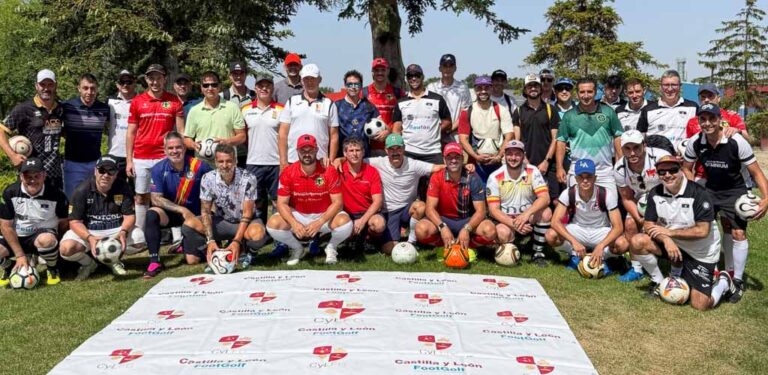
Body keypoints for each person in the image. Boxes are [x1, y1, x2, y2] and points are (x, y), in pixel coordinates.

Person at [682, 103, 768, 303]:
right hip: (709, 189)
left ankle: (736, 280)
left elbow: (756, 173)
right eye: (702, 119)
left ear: (720, 120)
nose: (707, 123)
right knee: (704, 229)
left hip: (734, 189)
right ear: (699, 121)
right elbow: (687, 167)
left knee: (737, 232)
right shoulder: (695, 141)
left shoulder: (736, 141)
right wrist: (695, 188)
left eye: (711, 118)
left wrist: (766, 200)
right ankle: (710, 271)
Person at [629, 155, 735, 311]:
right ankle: (660, 283)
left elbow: (702, 231)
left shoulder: (698, 193)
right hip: (674, 245)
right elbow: (649, 224)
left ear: (681, 170)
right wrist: (666, 239)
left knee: (700, 305)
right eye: (662, 172)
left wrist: (669, 233)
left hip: (701, 252)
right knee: (637, 241)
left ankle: (724, 282)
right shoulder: (655, 193)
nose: (667, 175)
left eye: (672, 170)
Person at [267, 134, 352, 265]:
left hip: (324, 215)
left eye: (310, 150)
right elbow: (281, 203)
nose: (307, 154)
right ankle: (297, 248)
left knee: (345, 223)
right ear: (297, 152)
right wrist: (294, 223)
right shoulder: (288, 172)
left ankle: (331, 247)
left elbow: (338, 203)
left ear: (317, 150)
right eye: (303, 150)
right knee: (273, 224)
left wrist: (320, 221)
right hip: (299, 215)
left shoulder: (328, 170)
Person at [59, 155, 146, 280]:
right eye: (102, 170)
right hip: (89, 230)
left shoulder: (123, 187)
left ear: (116, 174)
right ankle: (89, 264)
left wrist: (123, 231)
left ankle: (113, 260)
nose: (106, 175)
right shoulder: (81, 190)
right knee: (66, 249)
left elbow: (130, 216)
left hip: (116, 229)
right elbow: (74, 222)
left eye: (111, 171)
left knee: (139, 239)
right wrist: (89, 238)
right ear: (95, 171)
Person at [126, 64, 184, 234]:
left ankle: (176, 235)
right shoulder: (137, 101)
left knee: (168, 195)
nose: (155, 81)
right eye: (151, 78)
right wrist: (129, 160)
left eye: (159, 77)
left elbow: (181, 132)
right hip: (141, 156)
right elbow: (131, 133)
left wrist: (180, 156)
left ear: (165, 78)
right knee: (141, 196)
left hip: (165, 157)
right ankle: (141, 234)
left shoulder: (174, 101)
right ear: (146, 80)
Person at [144, 132, 212, 277]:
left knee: (192, 260)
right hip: (172, 213)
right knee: (151, 214)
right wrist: (181, 210)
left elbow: (216, 189)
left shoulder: (200, 166)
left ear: (185, 148)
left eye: (178, 147)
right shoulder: (158, 169)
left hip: (195, 216)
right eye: (171, 148)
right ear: (165, 150)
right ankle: (154, 261)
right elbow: (156, 199)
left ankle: (188, 244)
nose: (175, 151)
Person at [367, 133, 443, 254]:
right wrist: (341, 159)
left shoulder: (413, 164)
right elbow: (356, 161)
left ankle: (412, 242)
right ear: (386, 150)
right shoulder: (378, 162)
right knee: (390, 250)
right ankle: (373, 240)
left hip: (406, 211)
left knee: (421, 206)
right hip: (388, 212)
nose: (395, 152)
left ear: (403, 149)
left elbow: (438, 168)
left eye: (398, 148)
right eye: (391, 149)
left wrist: (465, 166)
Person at [613, 130, 671, 282]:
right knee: (630, 223)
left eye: (636, 147)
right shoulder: (619, 169)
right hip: (641, 201)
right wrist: (641, 220)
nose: (632, 153)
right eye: (627, 148)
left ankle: (677, 261)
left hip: (667, 198)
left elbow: (675, 182)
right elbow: (626, 197)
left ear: (644, 146)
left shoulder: (660, 157)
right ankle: (636, 268)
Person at [546, 159, 624, 273]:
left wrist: (601, 246)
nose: (585, 180)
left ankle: (604, 258)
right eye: (581, 177)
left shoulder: (606, 194)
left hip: (600, 230)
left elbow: (618, 227)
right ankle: (575, 255)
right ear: (576, 178)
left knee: (622, 244)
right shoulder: (568, 193)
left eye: (589, 176)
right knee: (550, 235)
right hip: (578, 229)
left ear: (595, 178)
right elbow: (555, 222)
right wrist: (574, 242)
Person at [415, 142, 496, 250]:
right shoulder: (437, 177)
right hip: (443, 219)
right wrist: (442, 227)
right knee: (420, 229)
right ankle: (446, 245)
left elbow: (481, 211)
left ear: (463, 159)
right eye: (449, 157)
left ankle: (466, 246)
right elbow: (430, 209)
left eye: (457, 157)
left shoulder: (472, 177)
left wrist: (467, 229)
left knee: (490, 231)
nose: (453, 160)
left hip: (466, 219)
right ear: (444, 160)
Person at [0, 158, 68, 287]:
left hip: (42, 236)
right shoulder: (10, 192)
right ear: (21, 176)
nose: (32, 180)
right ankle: (9, 268)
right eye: (27, 176)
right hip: (18, 237)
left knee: (47, 240)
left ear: (44, 175)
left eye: (37, 176)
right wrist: (19, 255)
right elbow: (5, 226)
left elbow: (64, 223)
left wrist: (57, 244)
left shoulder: (57, 194)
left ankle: (52, 268)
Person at [200, 144, 267, 270]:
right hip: (224, 221)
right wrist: (210, 240)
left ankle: (248, 252)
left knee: (258, 235)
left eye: (229, 161)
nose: (225, 165)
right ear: (215, 161)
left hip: (246, 222)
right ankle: (215, 250)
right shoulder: (207, 178)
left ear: (236, 161)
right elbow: (205, 211)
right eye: (221, 161)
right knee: (190, 225)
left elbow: (247, 214)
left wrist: (236, 241)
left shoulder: (249, 178)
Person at [486, 140, 552, 266]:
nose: (513, 158)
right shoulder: (495, 177)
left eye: (517, 154)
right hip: (507, 219)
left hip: (527, 216)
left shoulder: (532, 171)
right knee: (502, 233)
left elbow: (545, 198)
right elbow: (493, 210)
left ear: (523, 155)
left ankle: (537, 253)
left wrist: (526, 215)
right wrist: (514, 224)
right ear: (504, 156)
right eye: (510, 154)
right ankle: (511, 248)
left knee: (546, 213)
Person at [0, 69, 64, 190]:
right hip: (30, 174)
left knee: (55, 208)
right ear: (36, 86)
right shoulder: (24, 108)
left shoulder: (61, 109)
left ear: (55, 85)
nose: (46, 88)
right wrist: (13, 156)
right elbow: (1, 130)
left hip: (55, 174)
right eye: (42, 84)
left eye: (50, 84)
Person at [556, 78, 623, 188]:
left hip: (605, 173)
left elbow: (618, 137)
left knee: (609, 205)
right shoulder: (569, 116)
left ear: (595, 92)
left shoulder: (608, 111)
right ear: (577, 93)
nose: (586, 96)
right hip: (578, 172)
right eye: (582, 92)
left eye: (589, 92)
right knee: (577, 205)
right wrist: (559, 167)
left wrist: (620, 164)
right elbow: (561, 142)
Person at [278, 63, 339, 170]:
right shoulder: (292, 101)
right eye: (306, 79)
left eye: (313, 79)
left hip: (320, 161)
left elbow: (334, 136)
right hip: (293, 160)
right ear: (301, 81)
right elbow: (283, 133)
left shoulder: (329, 104)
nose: (310, 82)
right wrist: (283, 161)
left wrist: (331, 159)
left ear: (319, 80)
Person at [685, 84, 749, 184]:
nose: (706, 99)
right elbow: (689, 147)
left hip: (730, 175)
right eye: (703, 97)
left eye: (710, 96)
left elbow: (747, 138)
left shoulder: (731, 116)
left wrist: (737, 130)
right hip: (702, 176)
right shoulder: (692, 121)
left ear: (718, 98)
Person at [243, 74, 283, 227]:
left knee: (277, 201)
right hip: (253, 162)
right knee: (257, 201)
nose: (264, 88)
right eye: (261, 86)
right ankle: (260, 235)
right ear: (255, 88)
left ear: (272, 88)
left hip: (276, 162)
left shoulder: (281, 109)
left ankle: (278, 236)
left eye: (268, 85)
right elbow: (243, 135)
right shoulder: (246, 110)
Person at [61, 73, 110, 198]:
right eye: (85, 88)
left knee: (93, 200)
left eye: (93, 88)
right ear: (79, 88)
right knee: (72, 200)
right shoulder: (67, 107)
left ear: (97, 89)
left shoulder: (104, 109)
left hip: (95, 164)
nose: (89, 92)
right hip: (73, 163)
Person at [513, 74, 561, 202]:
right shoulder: (518, 111)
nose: (533, 88)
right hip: (526, 163)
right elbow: (517, 140)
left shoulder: (551, 110)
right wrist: (525, 160)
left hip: (549, 164)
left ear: (540, 88)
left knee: (555, 200)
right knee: (527, 200)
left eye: (536, 85)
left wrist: (546, 160)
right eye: (530, 86)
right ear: (525, 89)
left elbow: (555, 138)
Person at [392, 64, 452, 164]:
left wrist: (434, 130)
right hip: (408, 151)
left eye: (417, 75)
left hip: (433, 152)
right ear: (407, 79)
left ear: (422, 77)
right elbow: (396, 130)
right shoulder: (400, 102)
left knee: (437, 179)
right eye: (410, 76)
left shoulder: (437, 99)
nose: (413, 78)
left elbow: (448, 122)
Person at [458, 75, 513, 183]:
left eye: (486, 88)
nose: (483, 91)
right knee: (479, 196)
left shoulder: (501, 110)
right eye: (479, 88)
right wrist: (475, 156)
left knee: (497, 196)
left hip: (498, 163)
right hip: (476, 163)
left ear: (491, 89)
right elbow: (463, 139)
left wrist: (499, 156)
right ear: (475, 90)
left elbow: (509, 135)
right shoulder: (467, 111)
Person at [183, 71, 246, 161]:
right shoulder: (194, 110)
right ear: (201, 88)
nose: (210, 88)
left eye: (214, 85)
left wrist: (227, 142)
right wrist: (193, 145)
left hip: (226, 163)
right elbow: (187, 138)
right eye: (206, 85)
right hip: (202, 164)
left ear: (219, 86)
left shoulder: (232, 107)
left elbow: (242, 136)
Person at [339, 137, 385, 246]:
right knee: (343, 225)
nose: (355, 154)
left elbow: (378, 201)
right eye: (351, 151)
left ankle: (370, 241)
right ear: (345, 153)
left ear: (363, 152)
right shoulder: (338, 170)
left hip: (367, 212)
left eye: (358, 150)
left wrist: (362, 221)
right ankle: (349, 240)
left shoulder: (372, 171)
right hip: (348, 214)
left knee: (378, 224)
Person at [636, 70, 698, 150]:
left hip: (685, 160)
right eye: (666, 85)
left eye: (674, 85)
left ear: (680, 86)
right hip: (656, 160)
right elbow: (640, 139)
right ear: (660, 86)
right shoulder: (648, 110)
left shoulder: (693, 107)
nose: (670, 89)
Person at [426, 54, 472, 142]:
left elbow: (464, 113)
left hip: (456, 136)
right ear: (440, 68)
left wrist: (448, 129)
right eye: (445, 66)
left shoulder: (463, 87)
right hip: (434, 135)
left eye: (451, 65)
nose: (448, 69)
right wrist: (438, 131)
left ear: (455, 68)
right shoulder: (431, 88)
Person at [335, 70, 380, 157]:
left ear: (361, 86)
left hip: (364, 157)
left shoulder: (368, 106)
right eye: (350, 84)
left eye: (356, 84)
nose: (353, 87)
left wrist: (385, 132)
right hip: (342, 158)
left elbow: (382, 125)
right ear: (345, 86)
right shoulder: (336, 106)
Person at [363, 58, 400, 155]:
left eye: (383, 70)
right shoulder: (364, 92)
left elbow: (403, 118)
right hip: (370, 147)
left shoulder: (397, 92)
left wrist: (389, 131)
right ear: (372, 72)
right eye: (376, 70)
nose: (380, 73)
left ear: (387, 71)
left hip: (392, 145)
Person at [107, 70, 137, 183]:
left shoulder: (140, 101)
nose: (125, 85)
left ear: (134, 83)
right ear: (117, 84)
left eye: (129, 82)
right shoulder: (109, 102)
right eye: (122, 82)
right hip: (115, 153)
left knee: (137, 191)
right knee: (116, 190)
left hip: (136, 154)